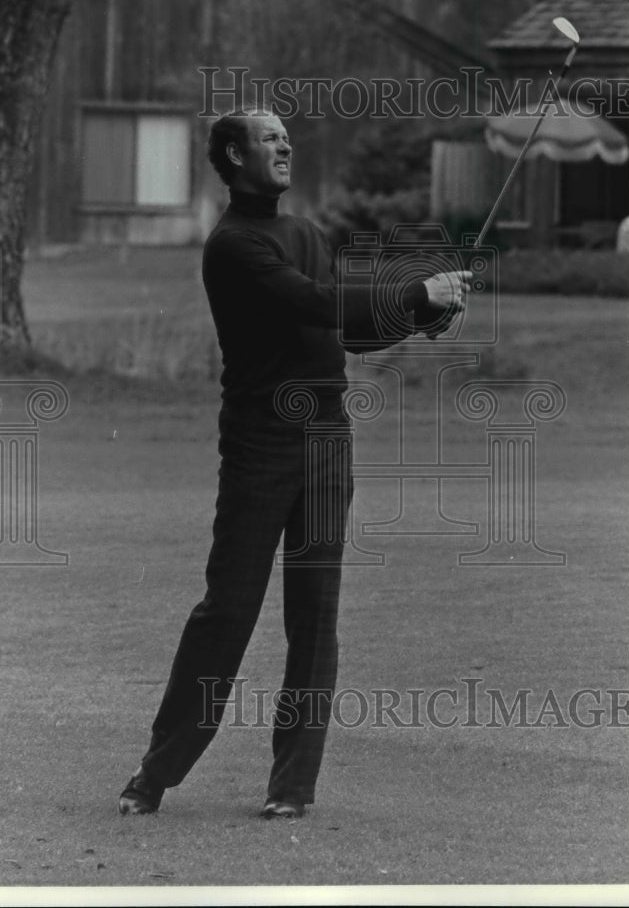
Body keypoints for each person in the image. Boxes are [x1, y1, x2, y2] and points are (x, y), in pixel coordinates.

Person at [119, 110, 471, 820]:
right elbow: (309, 300)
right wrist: (413, 294)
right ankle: (155, 774)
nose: (284, 145)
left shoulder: (306, 233)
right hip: (259, 447)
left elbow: (346, 325)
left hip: (326, 445)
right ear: (231, 154)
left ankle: (291, 790)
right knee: (228, 612)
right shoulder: (232, 245)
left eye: (286, 137)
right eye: (267, 137)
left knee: (314, 619)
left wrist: (425, 316)